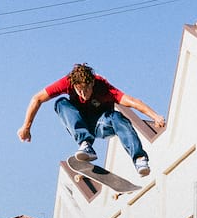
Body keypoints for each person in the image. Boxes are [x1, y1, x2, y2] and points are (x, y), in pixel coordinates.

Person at [17, 62, 166, 177]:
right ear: (73, 85)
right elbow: (37, 98)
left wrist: (155, 116)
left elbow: (132, 101)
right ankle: (85, 144)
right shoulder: (66, 82)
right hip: (79, 121)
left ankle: (139, 159)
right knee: (60, 103)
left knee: (118, 117)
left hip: (100, 123)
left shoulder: (103, 86)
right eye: (79, 90)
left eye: (86, 90)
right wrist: (26, 127)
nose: (83, 94)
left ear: (92, 83)